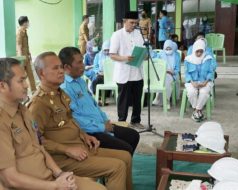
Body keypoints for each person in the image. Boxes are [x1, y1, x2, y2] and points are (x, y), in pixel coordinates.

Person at [28, 52, 132, 190]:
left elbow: (70, 120)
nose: (60, 71)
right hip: (62, 157)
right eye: (55, 68)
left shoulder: (60, 93)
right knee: (116, 167)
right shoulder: (38, 104)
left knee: (125, 156)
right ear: (42, 73)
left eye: (60, 67)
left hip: (80, 146)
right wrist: (67, 149)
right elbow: (35, 142)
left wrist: (84, 135)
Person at [0, 58, 106, 190]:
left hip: (49, 177)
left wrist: (60, 174)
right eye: (21, 81)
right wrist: (55, 185)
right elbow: (10, 179)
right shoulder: (3, 121)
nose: (27, 85)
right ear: (2, 86)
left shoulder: (23, 111)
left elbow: (40, 148)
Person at [59, 47, 140, 156]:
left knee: (133, 135)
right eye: (79, 62)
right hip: (89, 131)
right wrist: (102, 127)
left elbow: (94, 104)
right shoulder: (65, 88)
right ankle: (118, 167)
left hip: (100, 124)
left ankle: (123, 167)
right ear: (66, 67)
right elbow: (74, 119)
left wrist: (105, 120)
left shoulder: (80, 81)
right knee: (125, 149)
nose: (83, 65)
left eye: (82, 61)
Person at [109, 11, 145, 129]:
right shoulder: (117, 35)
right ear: (125, 21)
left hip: (137, 72)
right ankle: (122, 121)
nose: (134, 25)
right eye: (131, 22)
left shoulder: (138, 34)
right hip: (124, 72)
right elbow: (112, 55)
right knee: (123, 99)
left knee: (137, 98)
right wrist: (125, 58)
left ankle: (135, 120)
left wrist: (144, 55)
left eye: (135, 22)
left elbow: (143, 49)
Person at [184, 39, 215, 122]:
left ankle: (196, 111)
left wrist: (205, 82)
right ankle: (198, 111)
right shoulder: (188, 59)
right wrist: (192, 82)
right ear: (194, 50)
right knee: (191, 92)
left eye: (201, 51)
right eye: (197, 51)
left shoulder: (208, 58)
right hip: (192, 81)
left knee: (204, 92)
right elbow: (187, 73)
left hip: (205, 81)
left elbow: (210, 72)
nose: (199, 53)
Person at [152, 40, 181, 108]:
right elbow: (156, 64)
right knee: (164, 78)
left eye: (170, 48)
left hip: (172, 74)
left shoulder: (176, 56)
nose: (168, 50)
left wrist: (172, 72)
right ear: (164, 48)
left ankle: (163, 99)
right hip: (162, 74)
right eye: (166, 49)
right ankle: (165, 100)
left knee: (167, 78)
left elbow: (177, 69)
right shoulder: (160, 54)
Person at [16, 16, 36, 92]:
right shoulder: (19, 32)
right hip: (22, 58)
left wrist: (29, 53)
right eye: (27, 22)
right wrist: (21, 59)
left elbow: (25, 45)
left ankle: (34, 90)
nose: (28, 23)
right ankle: (22, 90)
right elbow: (19, 45)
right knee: (22, 75)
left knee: (30, 74)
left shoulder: (24, 31)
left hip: (26, 56)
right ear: (24, 23)